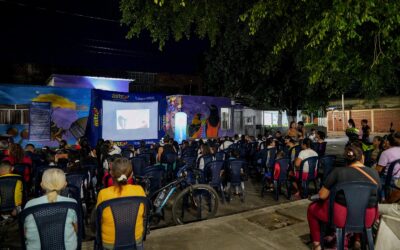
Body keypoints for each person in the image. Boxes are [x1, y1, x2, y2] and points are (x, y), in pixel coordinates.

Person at [307, 145, 380, 250]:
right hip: (368, 218)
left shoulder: (338, 172)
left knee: (312, 208)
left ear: (346, 160)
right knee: (361, 205)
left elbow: (322, 195)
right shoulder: (375, 173)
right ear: (362, 157)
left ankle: (317, 245)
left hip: (342, 217)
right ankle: (357, 240)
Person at [96, 158, 146, 249]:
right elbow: (143, 214)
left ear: (111, 173)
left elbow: (98, 219)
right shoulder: (139, 190)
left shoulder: (103, 194)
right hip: (135, 239)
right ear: (131, 175)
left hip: (109, 243)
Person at [23, 168, 78, 250]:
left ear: (42, 184)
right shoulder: (72, 204)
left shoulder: (29, 205)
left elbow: (25, 233)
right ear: (64, 184)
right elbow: (76, 230)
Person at [376, 132, 400, 199]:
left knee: (375, 182)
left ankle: (382, 199)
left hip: (389, 180)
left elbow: (378, 171)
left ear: (388, 142)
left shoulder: (385, 153)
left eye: (386, 140)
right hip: (399, 179)